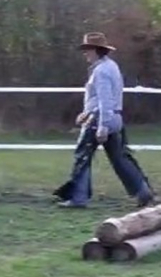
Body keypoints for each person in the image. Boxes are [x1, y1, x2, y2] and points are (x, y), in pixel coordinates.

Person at [53, 32, 154, 208]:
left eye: (87, 50)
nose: (85, 53)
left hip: (100, 119)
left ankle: (78, 197)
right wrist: (87, 111)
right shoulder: (111, 66)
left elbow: (105, 99)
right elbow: (105, 99)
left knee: (82, 156)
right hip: (113, 117)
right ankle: (142, 190)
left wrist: (101, 126)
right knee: (120, 158)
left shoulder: (100, 71)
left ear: (96, 50)